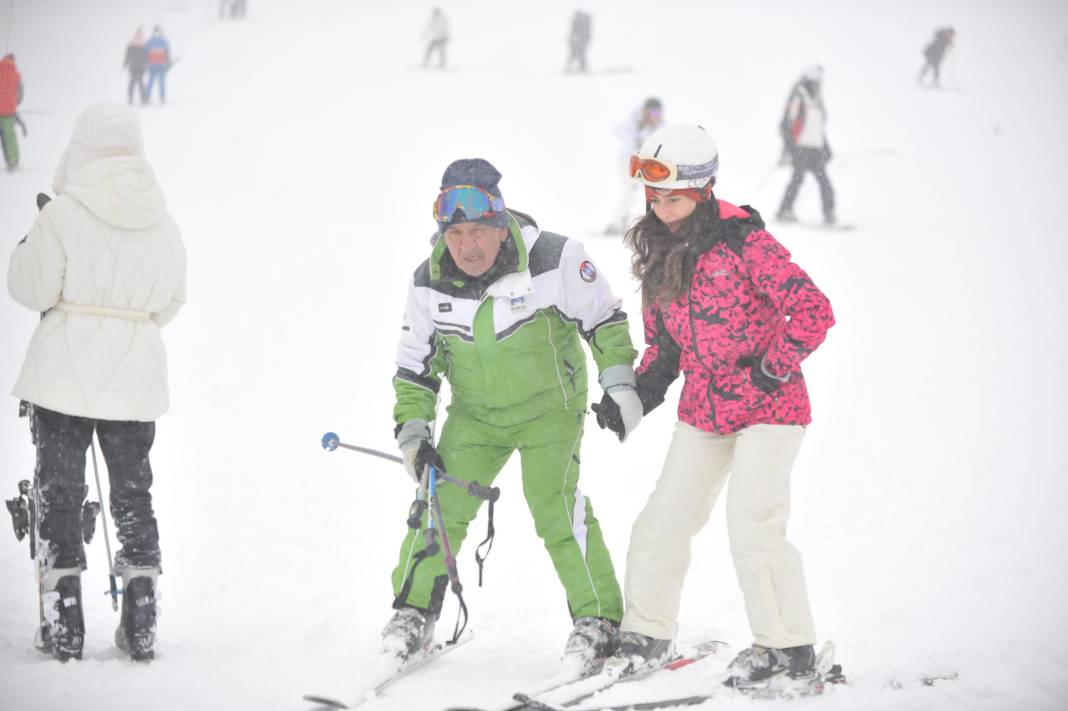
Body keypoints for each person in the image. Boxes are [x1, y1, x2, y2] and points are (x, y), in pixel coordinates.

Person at [592, 124, 835, 688]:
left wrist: (772, 366)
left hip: (770, 409)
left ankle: (788, 649)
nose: (657, 204)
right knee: (662, 522)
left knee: (752, 524)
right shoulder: (659, 249)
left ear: (702, 189)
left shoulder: (745, 243)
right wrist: (638, 396)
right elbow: (665, 347)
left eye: (670, 194)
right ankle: (647, 632)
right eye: (652, 195)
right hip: (704, 411)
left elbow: (814, 310)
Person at [384, 158, 642, 676]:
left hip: (551, 408)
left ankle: (597, 618)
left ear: (501, 224)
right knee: (438, 501)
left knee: (554, 506)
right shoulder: (428, 282)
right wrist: (415, 435)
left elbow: (604, 317)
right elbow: (416, 367)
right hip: (476, 416)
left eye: (478, 230)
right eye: (455, 232)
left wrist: (618, 384)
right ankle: (414, 612)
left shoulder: (554, 258)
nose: (467, 245)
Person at [7, 104, 187, 662]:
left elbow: (29, 290)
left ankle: (62, 618)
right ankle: (142, 609)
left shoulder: (60, 214)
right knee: (133, 493)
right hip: (135, 377)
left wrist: (27, 245)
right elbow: (171, 301)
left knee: (60, 492)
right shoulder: (163, 220)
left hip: (63, 378)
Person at [776, 65, 835, 225]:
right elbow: (787, 123)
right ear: (811, 81)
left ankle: (829, 212)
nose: (820, 84)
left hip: (816, 148)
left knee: (824, 182)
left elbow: (818, 128)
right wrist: (791, 147)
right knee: (797, 179)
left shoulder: (817, 99)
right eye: (817, 81)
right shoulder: (799, 95)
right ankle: (784, 210)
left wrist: (826, 148)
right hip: (801, 148)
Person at [605, 97, 665, 234]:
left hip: (645, 165)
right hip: (627, 162)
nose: (656, 117)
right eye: (653, 113)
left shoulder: (660, 127)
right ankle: (615, 223)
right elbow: (617, 130)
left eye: (659, 113)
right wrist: (635, 136)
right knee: (631, 191)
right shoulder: (635, 121)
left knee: (653, 192)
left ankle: (625, 219)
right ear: (646, 111)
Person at [0, 53, 24, 172]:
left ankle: (9, 160)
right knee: (10, 137)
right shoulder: (16, 75)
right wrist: (14, 103)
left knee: (4, 139)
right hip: (9, 112)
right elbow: (20, 93)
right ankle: (13, 161)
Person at [143, 26, 172, 104]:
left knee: (153, 82)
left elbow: (146, 52)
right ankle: (159, 98)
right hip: (158, 64)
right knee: (158, 82)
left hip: (155, 64)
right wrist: (168, 62)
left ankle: (148, 97)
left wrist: (146, 61)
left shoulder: (151, 41)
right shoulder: (163, 41)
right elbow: (167, 53)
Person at [122, 27, 148, 106]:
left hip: (133, 66)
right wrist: (146, 64)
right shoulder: (143, 43)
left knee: (132, 83)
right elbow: (146, 56)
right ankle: (143, 99)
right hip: (140, 66)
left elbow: (127, 55)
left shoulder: (131, 43)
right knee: (141, 83)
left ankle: (130, 98)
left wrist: (124, 64)